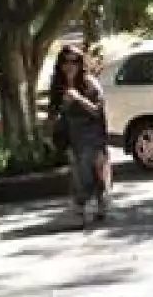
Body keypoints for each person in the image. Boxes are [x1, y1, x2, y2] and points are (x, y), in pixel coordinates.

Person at [46, 44, 111, 225]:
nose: (69, 65)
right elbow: (53, 113)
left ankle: (94, 203)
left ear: (80, 63)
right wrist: (50, 133)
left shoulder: (89, 82)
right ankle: (83, 207)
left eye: (74, 61)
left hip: (92, 133)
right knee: (79, 171)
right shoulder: (58, 86)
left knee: (92, 170)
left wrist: (78, 98)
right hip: (70, 134)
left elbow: (98, 111)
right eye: (65, 61)